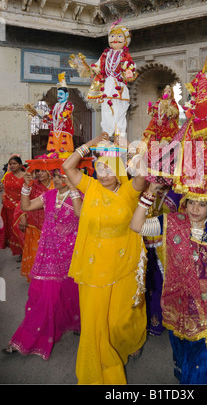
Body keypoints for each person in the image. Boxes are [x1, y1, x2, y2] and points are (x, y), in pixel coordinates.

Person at [130, 183, 207, 384]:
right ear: (185, 203)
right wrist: (150, 192)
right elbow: (137, 226)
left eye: (202, 205)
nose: (195, 209)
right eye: (191, 203)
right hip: (181, 306)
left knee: (206, 365)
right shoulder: (172, 222)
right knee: (187, 359)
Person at [62, 132, 147, 385]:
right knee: (95, 321)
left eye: (109, 169)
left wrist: (130, 152)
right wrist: (91, 144)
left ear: (119, 170)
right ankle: (99, 365)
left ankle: (130, 341)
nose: (103, 173)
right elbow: (67, 166)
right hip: (93, 267)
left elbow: (143, 176)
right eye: (99, 168)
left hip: (124, 265)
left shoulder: (130, 192)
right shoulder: (91, 187)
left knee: (120, 320)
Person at [2, 168, 82, 359]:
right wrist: (26, 188)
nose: (58, 178)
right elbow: (27, 206)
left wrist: (73, 189)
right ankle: (26, 338)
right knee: (43, 296)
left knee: (71, 291)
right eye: (55, 175)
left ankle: (76, 323)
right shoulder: (50, 195)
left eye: (62, 174)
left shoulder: (80, 196)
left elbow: (82, 216)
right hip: (48, 255)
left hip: (72, 255)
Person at [147, 52, 207, 201]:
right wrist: (191, 106)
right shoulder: (199, 79)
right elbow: (193, 97)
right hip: (198, 120)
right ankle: (192, 178)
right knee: (188, 148)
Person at [69, 23, 137, 137]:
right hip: (107, 86)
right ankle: (106, 135)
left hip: (119, 87)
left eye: (119, 36)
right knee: (106, 112)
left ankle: (120, 137)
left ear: (126, 40)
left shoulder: (125, 54)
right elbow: (98, 66)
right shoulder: (106, 54)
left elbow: (129, 66)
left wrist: (129, 71)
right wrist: (90, 67)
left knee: (119, 112)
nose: (115, 39)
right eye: (112, 36)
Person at [144, 185, 181, 336]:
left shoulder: (177, 192)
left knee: (163, 285)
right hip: (142, 244)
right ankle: (145, 322)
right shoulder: (143, 188)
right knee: (145, 285)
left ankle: (164, 320)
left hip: (167, 247)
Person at [13, 168, 54, 281]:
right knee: (37, 254)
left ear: (50, 172)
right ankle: (38, 278)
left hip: (53, 226)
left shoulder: (57, 185)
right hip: (35, 225)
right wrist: (22, 216)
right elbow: (23, 202)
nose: (39, 173)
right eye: (37, 171)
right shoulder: (33, 185)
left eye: (42, 171)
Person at [42, 73, 74, 157]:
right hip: (55, 127)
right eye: (58, 94)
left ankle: (65, 152)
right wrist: (47, 118)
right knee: (55, 139)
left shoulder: (68, 104)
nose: (58, 96)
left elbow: (67, 113)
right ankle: (55, 152)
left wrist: (63, 115)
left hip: (64, 127)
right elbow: (51, 115)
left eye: (61, 94)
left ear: (66, 95)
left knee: (64, 141)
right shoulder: (55, 106)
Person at [0, 155, 25, 258]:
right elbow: (5, 189)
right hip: (8, 207)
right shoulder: (7, 175)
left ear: (20, 165)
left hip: (21, 207)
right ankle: (19, 251)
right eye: (10, 164)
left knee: (21, 229)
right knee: (11, 230)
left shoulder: (26, 176)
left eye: (15, 163)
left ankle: (25, 250)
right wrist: (3, 196)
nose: (12, 166)